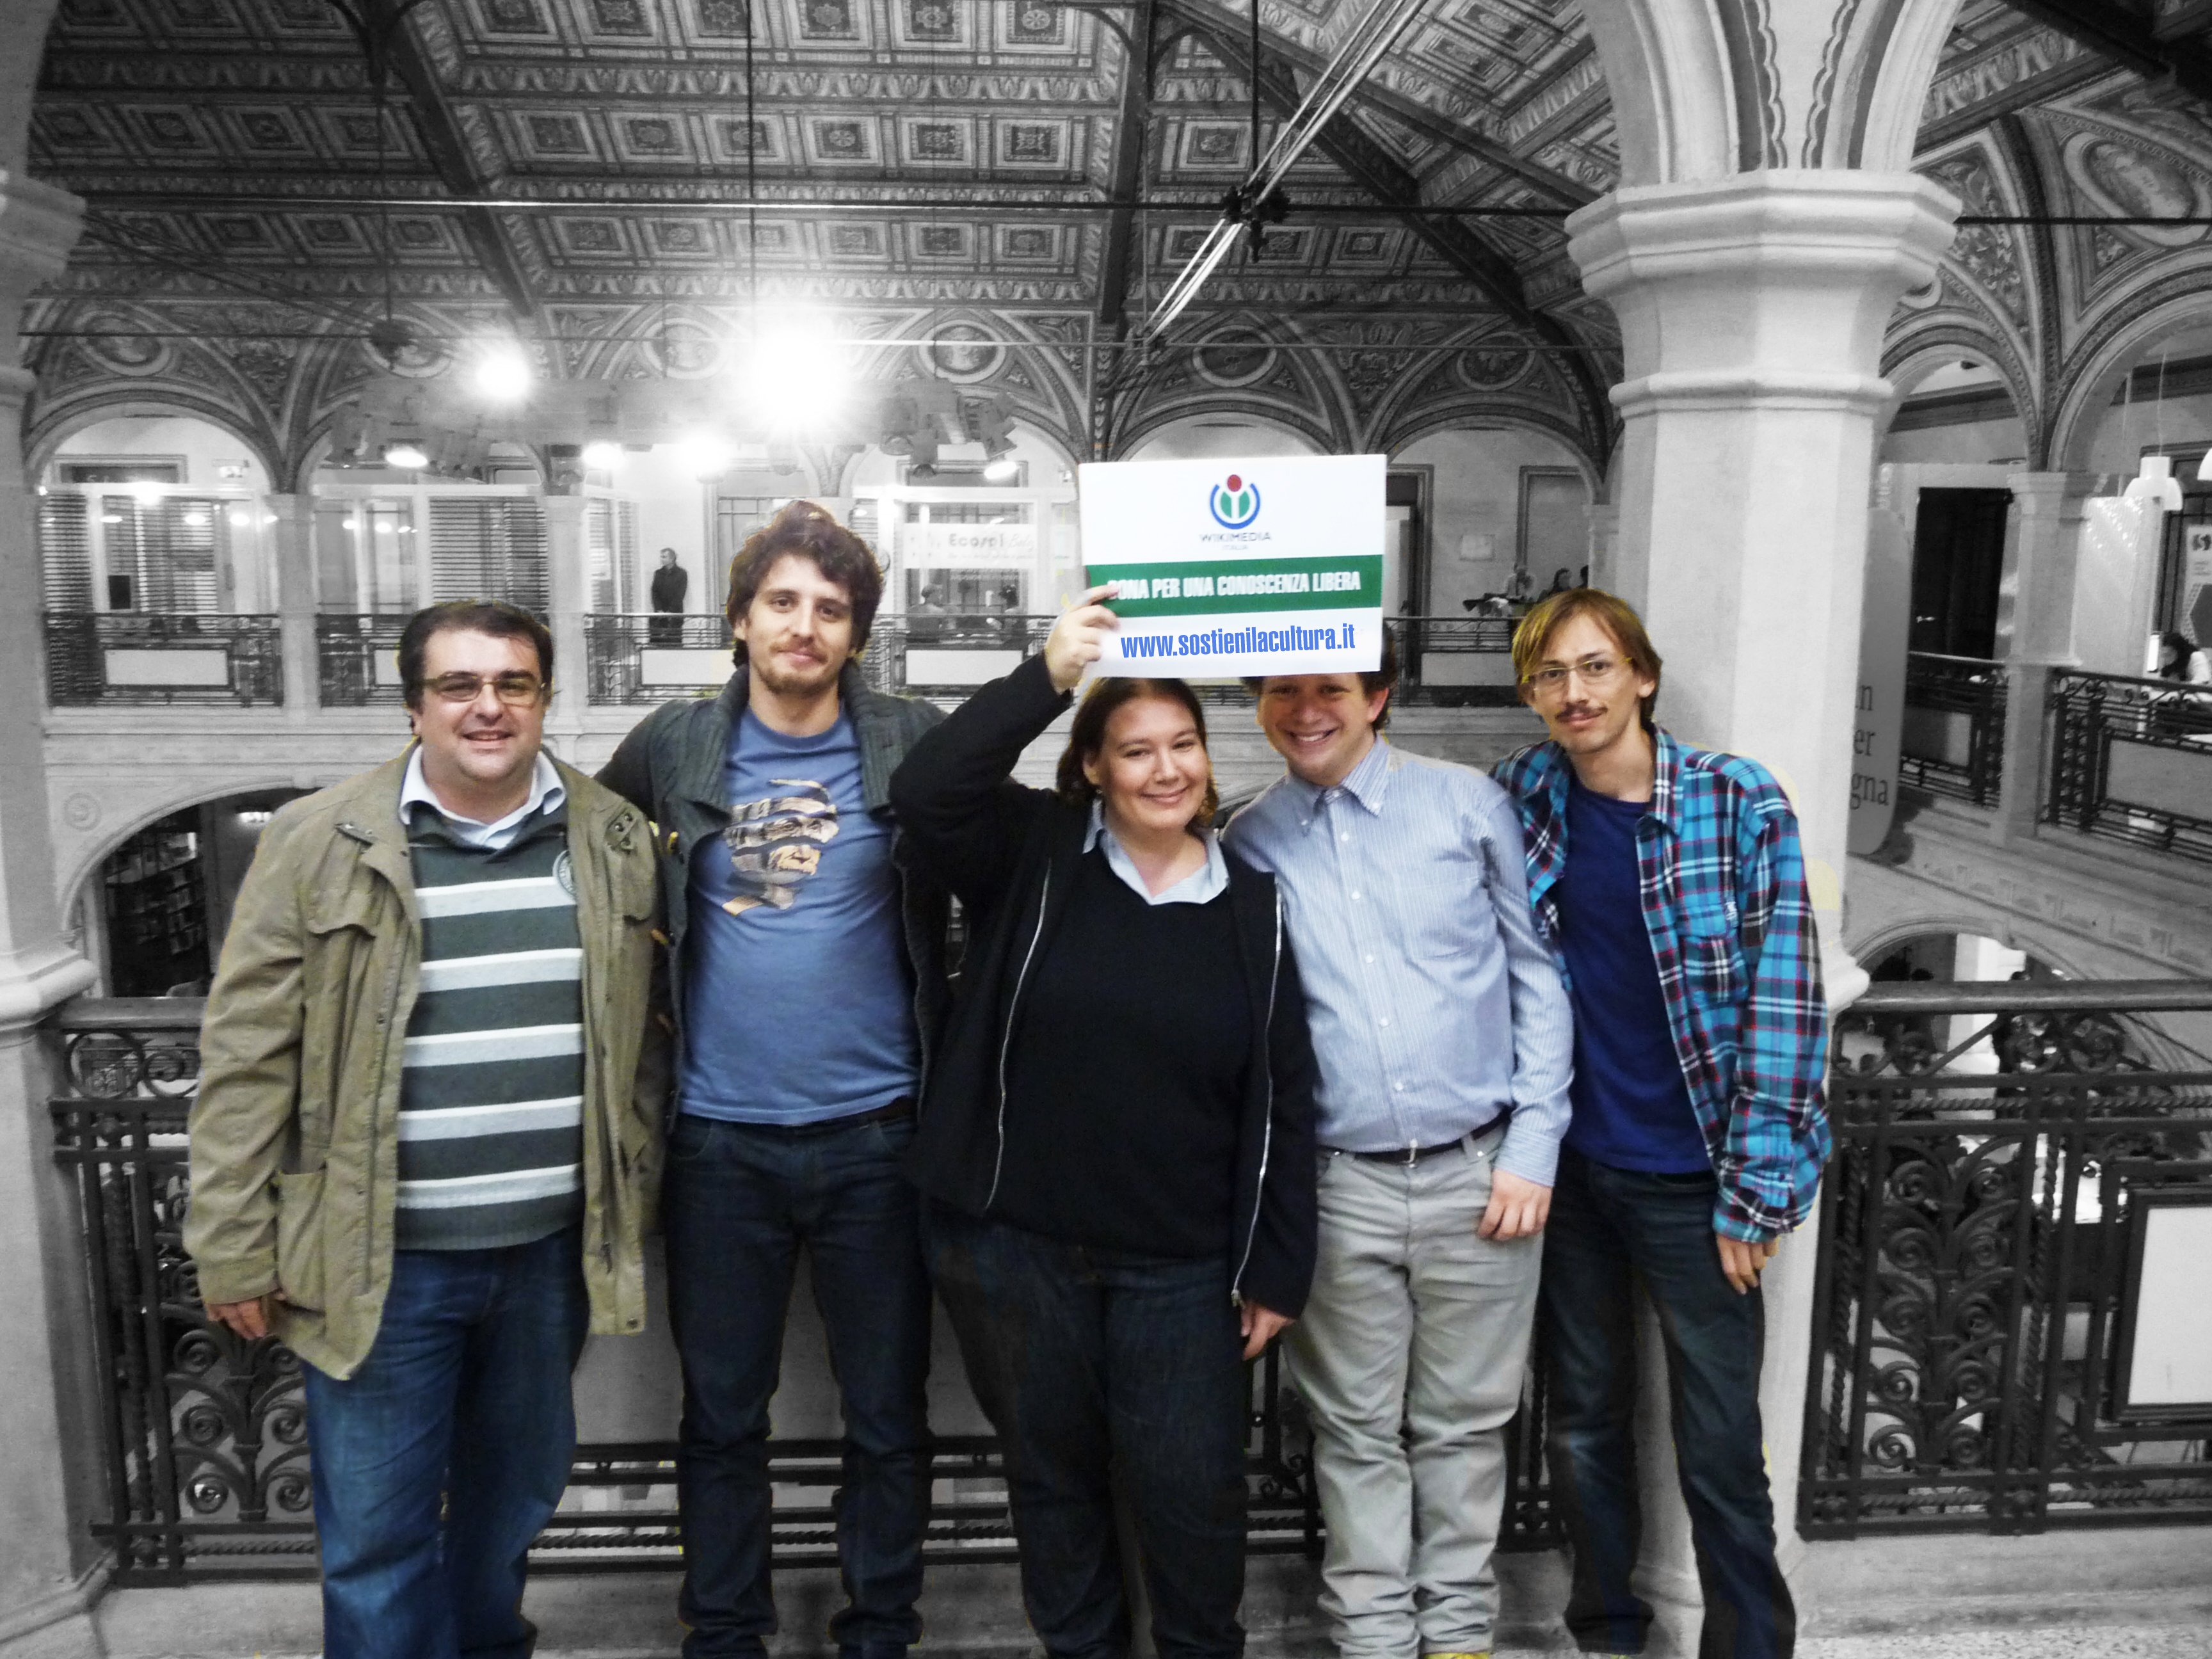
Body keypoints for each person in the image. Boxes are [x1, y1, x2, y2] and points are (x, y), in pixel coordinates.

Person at [185, 600, 667, 1659]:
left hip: (547, 1260)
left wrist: (638, 1176)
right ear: (415, 705)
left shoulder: (612, 836)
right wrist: (231, 1243)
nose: (488, 707)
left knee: (509, 1511)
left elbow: (645, 1039)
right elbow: (247, 1056)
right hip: (379, 1264)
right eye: (459, 685)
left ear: (544, 699)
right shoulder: (319, 840)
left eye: (514, 684)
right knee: (376, 1541)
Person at [891, 587, 1317, 1659]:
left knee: (1194, 1496)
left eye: (1184, 745)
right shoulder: (1034, 854)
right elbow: (928, 788)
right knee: (1054, 1486)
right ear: (1092, 767)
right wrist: (1048, 675)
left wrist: (1276, 1266)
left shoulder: (1254, 905)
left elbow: (1285, 1097)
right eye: (1136, 751)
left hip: (1182, 1268)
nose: (1166, 769)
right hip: (1016, 1251)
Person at [597, 501, 947, 1659]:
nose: (805, 626)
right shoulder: (673, 744)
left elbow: (1000, 853)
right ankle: (727, 1632)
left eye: (831, 609)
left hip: (878, 1140)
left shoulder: (910, 737)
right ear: (740, 619)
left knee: (888, 1416)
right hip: (718, 1145)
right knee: (721, 1418)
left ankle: (879, 1629)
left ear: (858, 634)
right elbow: (587, 855)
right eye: (783, 602)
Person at [1491, 588, 1831, 1659]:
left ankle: (1749, 1644)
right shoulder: (1522, 793)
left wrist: (1756, 1192)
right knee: (1584, 1422)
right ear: (1531, 695)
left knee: (1721, 1443)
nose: (1574, 692)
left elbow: (1787, 999)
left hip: (1701, 1182)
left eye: (1595, 667)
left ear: (1642, 676)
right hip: (1572, 1173)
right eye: (1550, 674)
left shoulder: (1738, 801)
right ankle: (1608, 1634)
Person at [1222, 629, 1573, 1659]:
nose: (1306, 709)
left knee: (1466, 1427)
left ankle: (1458, 1636)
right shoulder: (1249, 840)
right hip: (1338, 1187)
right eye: (1283, 689)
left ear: (1378, 696)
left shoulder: (1467, 805)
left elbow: (1537, 974)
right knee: (1352, 1432)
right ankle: (1373, 1639)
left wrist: (1534, 1143)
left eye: (1330, 687)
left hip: (1483, 1176)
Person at [650, 547, 689, 644]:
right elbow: (654, 592)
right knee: (658, 641)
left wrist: (670, 611)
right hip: (659, 614)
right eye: (661, 557)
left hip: (675, 614)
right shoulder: (658, 573)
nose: (662, 559)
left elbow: (680, 594)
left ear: (672, 559)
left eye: (664, 557)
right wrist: (659, 609)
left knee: (673, 640)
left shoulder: (681, 574)